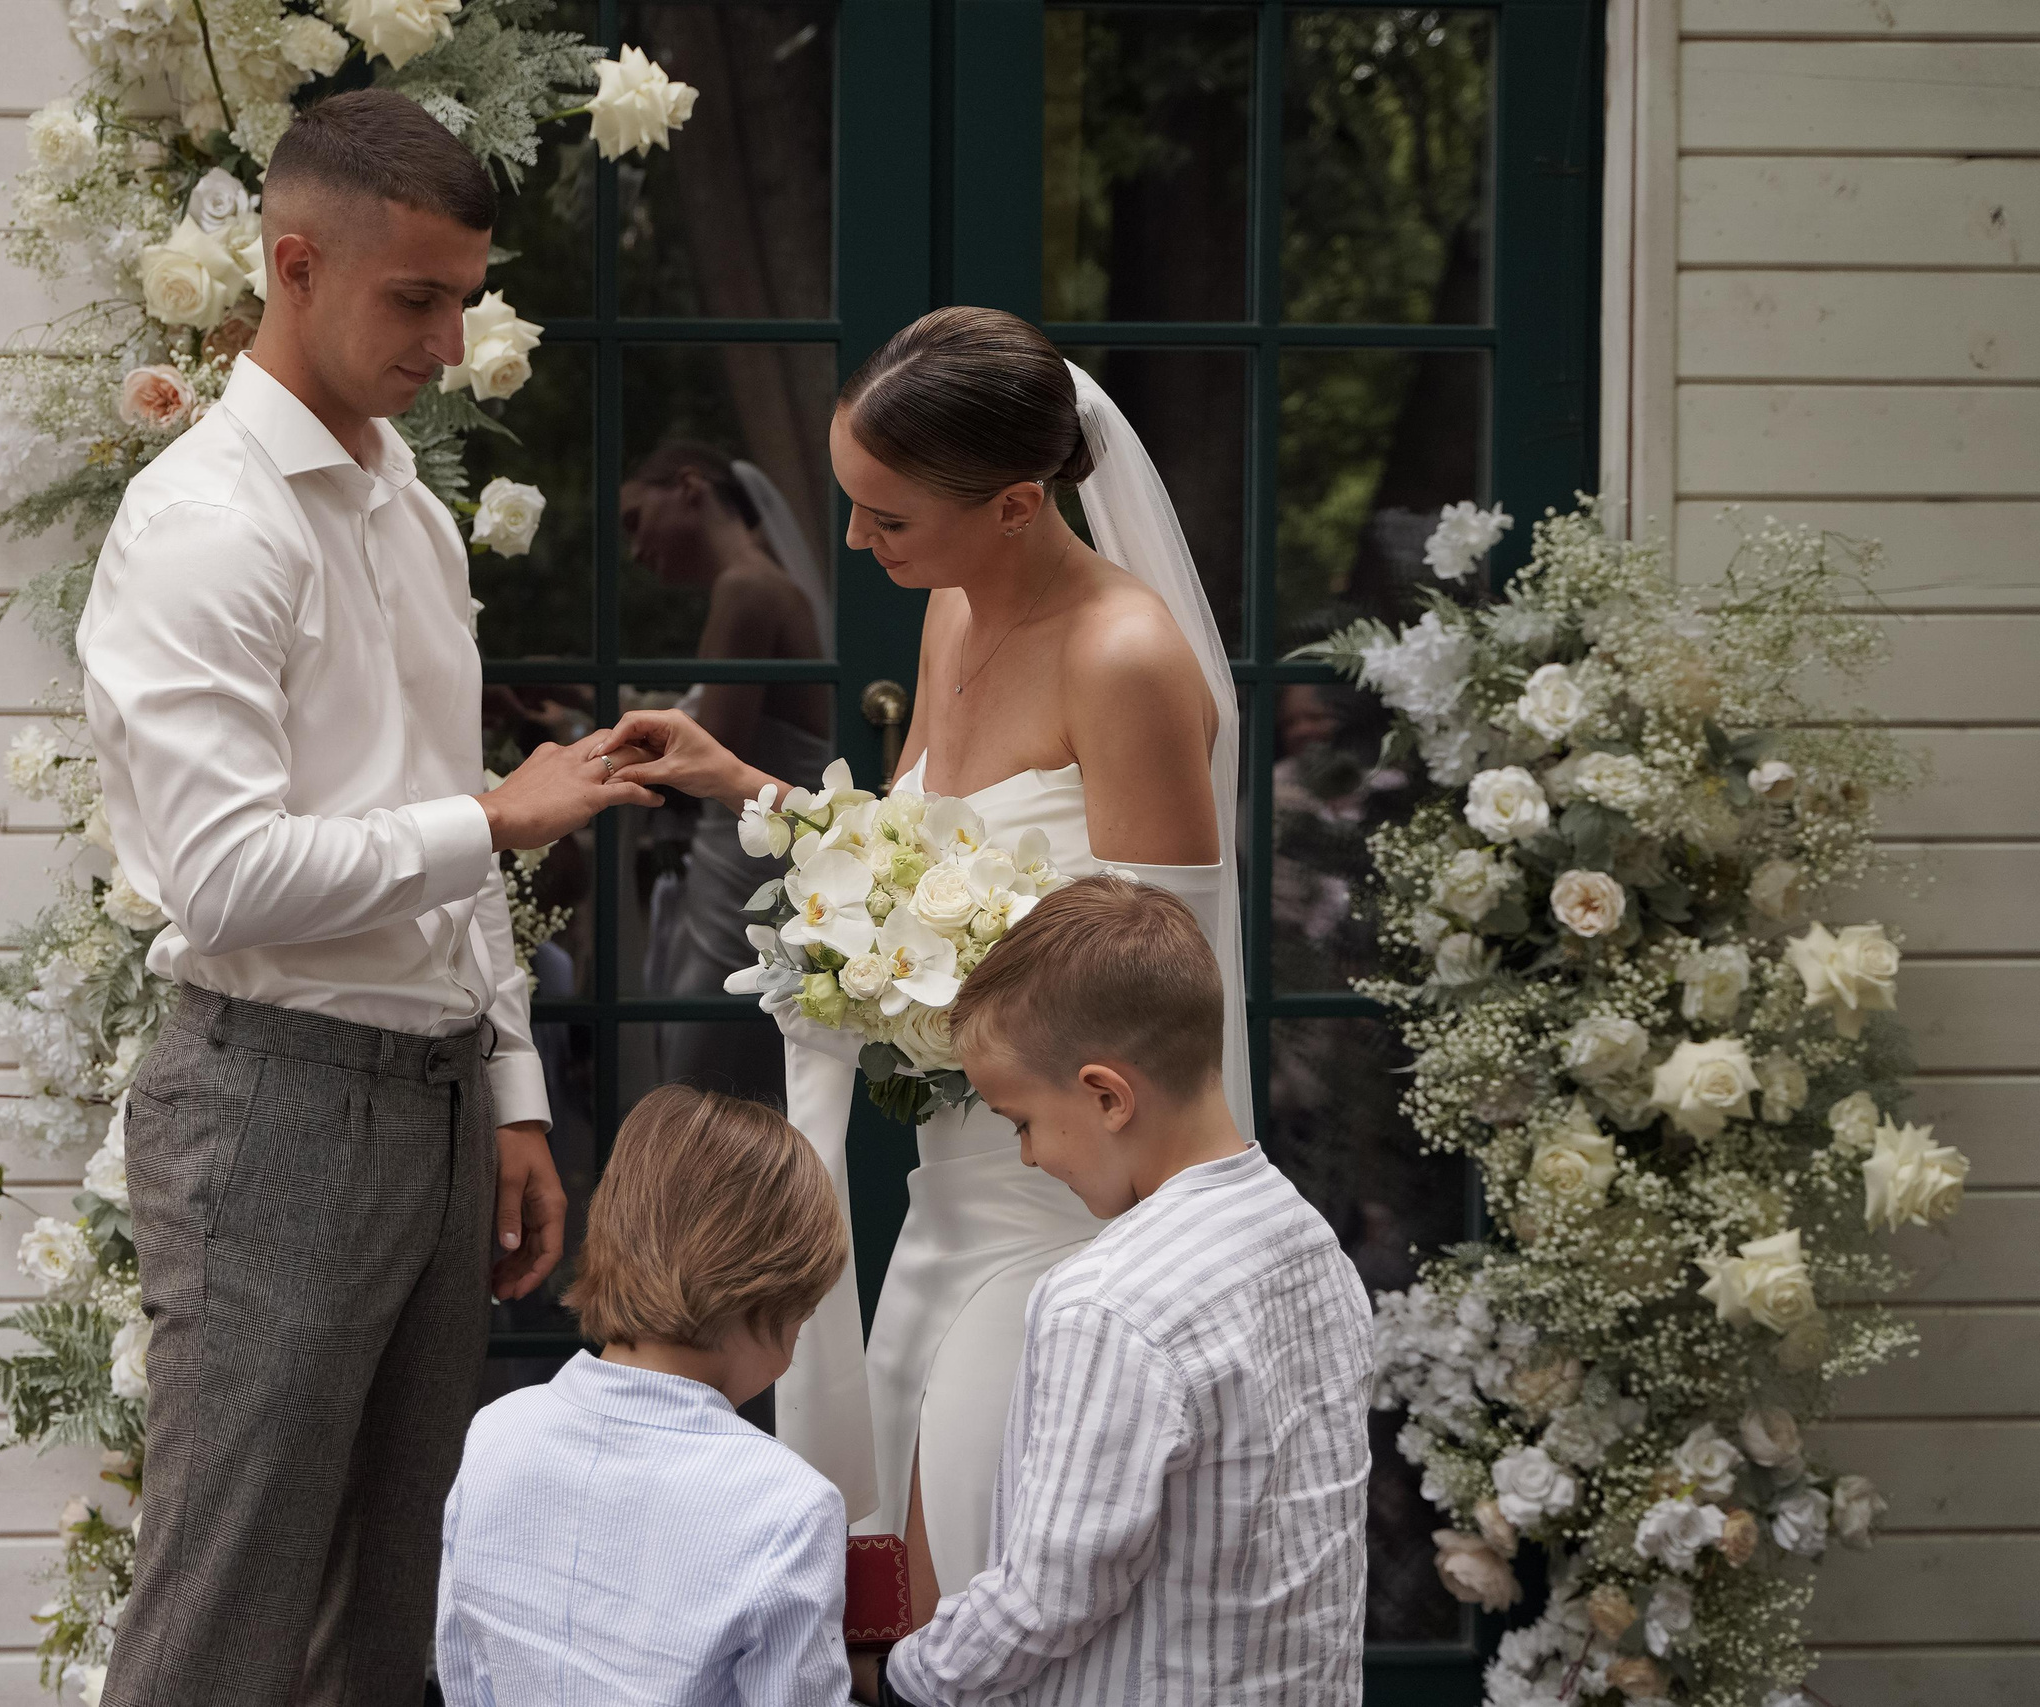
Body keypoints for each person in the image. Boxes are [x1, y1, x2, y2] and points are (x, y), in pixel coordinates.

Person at [78, 91, 658, 1707]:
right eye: (418, 296)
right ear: (292, 262)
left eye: (468, 295)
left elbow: (425, 798)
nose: (450, 335)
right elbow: (225, 874)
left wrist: (515, 1091)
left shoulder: (408, 508)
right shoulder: (205, 524)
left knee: (386, 1619)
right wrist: (492, 814)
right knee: (228, 1614)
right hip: (269, 1094)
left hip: (432, 1096)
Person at [597, 307, 1252, 1611]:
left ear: (1017, 501)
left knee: (994, 1551)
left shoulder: (1121, 657)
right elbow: (912, 855)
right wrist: (743, 783)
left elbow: (1159, 984)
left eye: (887, 518)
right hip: (955, 1185)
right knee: (905, 1538)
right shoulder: (952, 609)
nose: (853, 539)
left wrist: (930, 989)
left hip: (1076, 1201)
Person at [864, 876, 1373, 1707]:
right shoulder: (1310, 1240)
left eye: (1020, 1121)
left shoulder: (1107, 1300)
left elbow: (1049, 1592)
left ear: (1106, 1095)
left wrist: (907, 1676)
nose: (1027, 1156)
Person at [436, 1084, 855, 1705]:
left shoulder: (497, 1432)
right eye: (805, 1317)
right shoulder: (790, 1507)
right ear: (770, 1294)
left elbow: (462, 1667)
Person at [622, 440, 833, 1105]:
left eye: (635, 518)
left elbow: (704, 750)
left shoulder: (746, 589)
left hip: (743, 871)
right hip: (745, 863)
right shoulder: (761, 585)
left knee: (700, 1083)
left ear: (690, 487)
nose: (635, 548)